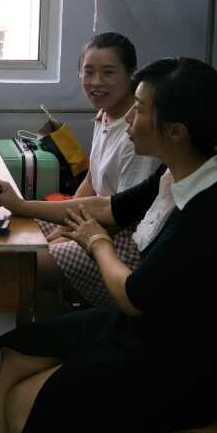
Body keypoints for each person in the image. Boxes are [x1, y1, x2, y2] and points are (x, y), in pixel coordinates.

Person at [0, 57, 217, 433]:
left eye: (139, 109)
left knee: (29, 403)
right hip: (146, 331)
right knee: (11, 355)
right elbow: (106, 208)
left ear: (176, 131)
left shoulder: (211, 207)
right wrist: (21, 206)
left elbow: (132, 295)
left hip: (182, 364)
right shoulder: (176, 173)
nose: (129, 118)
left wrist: (97, 243)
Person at [37, 32, 159, 308]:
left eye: (108, 73)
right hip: (92, 219)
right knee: (20, 230)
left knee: (29, 262)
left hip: (122, 239)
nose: (96, 82)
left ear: (131, 74)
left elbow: (124, 215)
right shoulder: (105, 115)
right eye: (88, 71)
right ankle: (53, 315)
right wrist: (64, 225)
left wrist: (64, 235)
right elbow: (91, 181)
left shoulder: (135, 133)